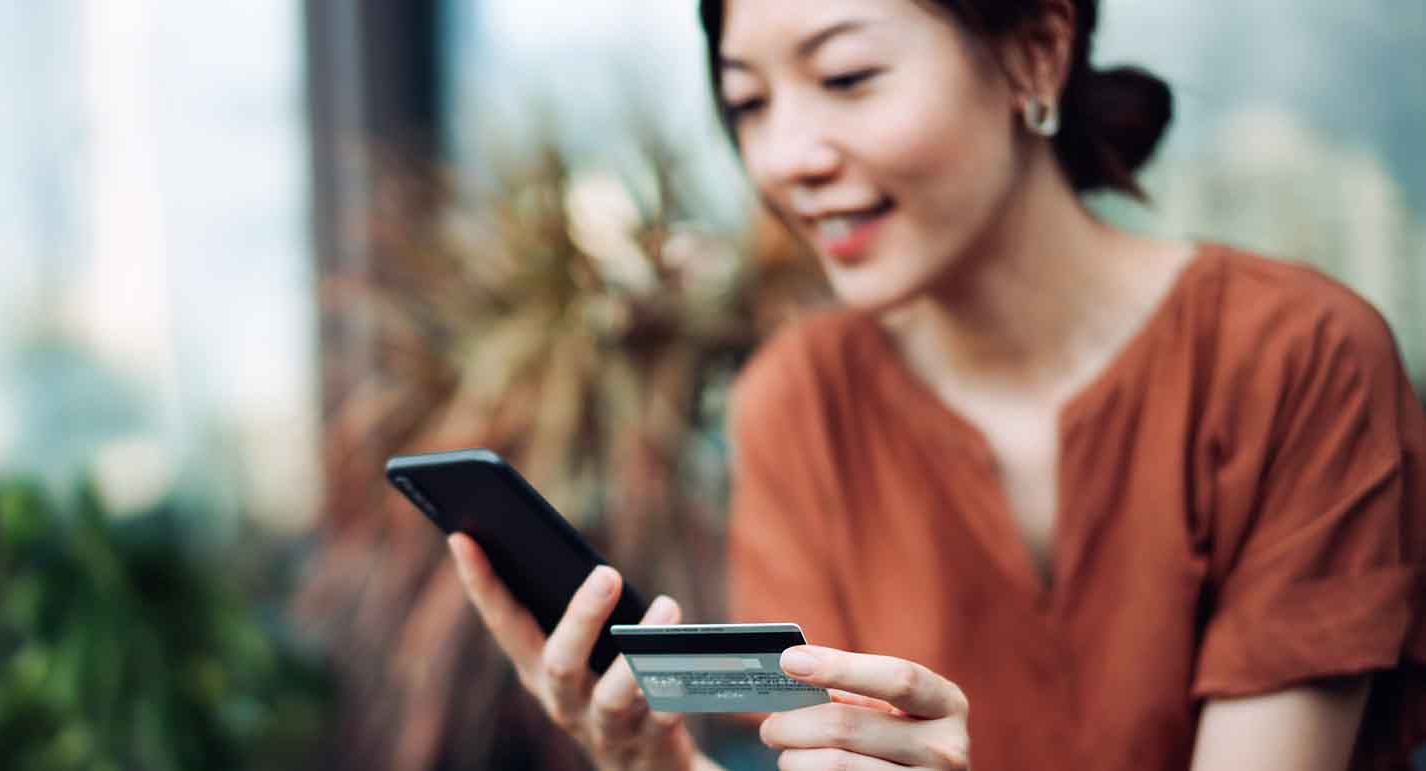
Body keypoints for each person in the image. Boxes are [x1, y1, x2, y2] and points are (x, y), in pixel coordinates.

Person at [446, 0, 1426, 768]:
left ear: (1035, 52)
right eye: (748, 102)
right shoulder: (797, 402)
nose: (786, 157)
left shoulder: (1296, 358)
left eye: (845, 76)